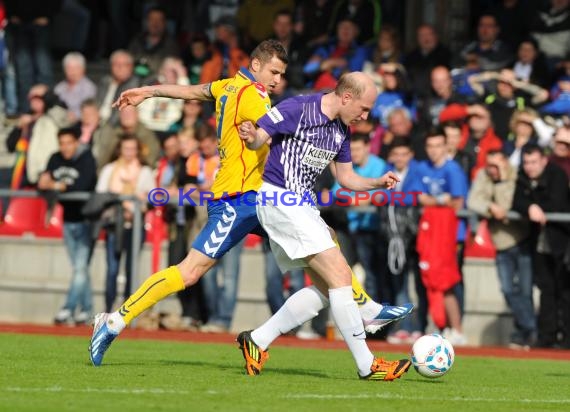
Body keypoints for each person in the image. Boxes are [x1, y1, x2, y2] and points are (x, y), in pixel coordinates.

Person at [90, 40, 411, 367]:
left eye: (282, 74)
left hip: (263, 199)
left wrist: (148, 90)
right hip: (240, 198)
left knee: (326, 261)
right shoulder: (254, 96)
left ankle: (267, 337)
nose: (277, 80)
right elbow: (278, 126)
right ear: (255, 65)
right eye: (273, 71)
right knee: (189, 272)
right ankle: (115, 320)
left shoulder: (228, 86)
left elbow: (194, 91)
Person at [236, 72, 412, 380]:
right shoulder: (298, 108)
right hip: (280, 199)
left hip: (301, 205)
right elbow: (259, 139)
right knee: (342, 275)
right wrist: (251, 135)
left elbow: (346, 178)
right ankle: (367, 360)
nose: (366, 116)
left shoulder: (341, 129)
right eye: (364, 108)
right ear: (346, 97)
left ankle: (257, 340)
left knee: (328, 286)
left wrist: (376, 182)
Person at [37, 127, 97, 325]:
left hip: (86, 220)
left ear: (76, 142)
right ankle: (87, 310)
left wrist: (55, 185)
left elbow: (82, 185)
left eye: (69, 143)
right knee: (80, 269)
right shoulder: (55, 158)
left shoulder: (87, 158)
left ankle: (68, 309)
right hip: (68, 219)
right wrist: (49, 182)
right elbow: (43, 180)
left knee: (80, 268)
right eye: (61, 143)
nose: (65, 147)